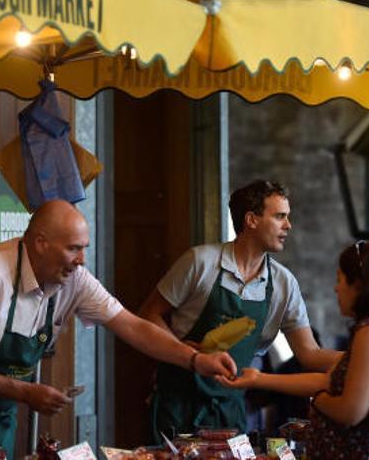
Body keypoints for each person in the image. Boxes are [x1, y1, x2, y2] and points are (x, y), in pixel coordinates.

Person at [0, 200, 237, 456]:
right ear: (40, 243)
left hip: (0, 413)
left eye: (84, 248)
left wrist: (195, 360)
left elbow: (133, 327)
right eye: (73, 248)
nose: (82, 259)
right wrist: (26, 392)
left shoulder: (74, 279)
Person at [139, 180, 340, 442]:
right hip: (177, 403)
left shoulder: (283, 283)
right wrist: (185, 351)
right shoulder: (200, 262)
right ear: (251, 220)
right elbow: (148, 314)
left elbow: (310, 354)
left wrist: (366, 360)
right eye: (280, 217)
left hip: (229, 410)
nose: (288, 226)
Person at [219, 241, 369, 459]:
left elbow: (350, 411)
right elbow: (326, 381)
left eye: (339, 279)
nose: (336, 288)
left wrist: (318, 400)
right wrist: (258, 379)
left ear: (358, 285)